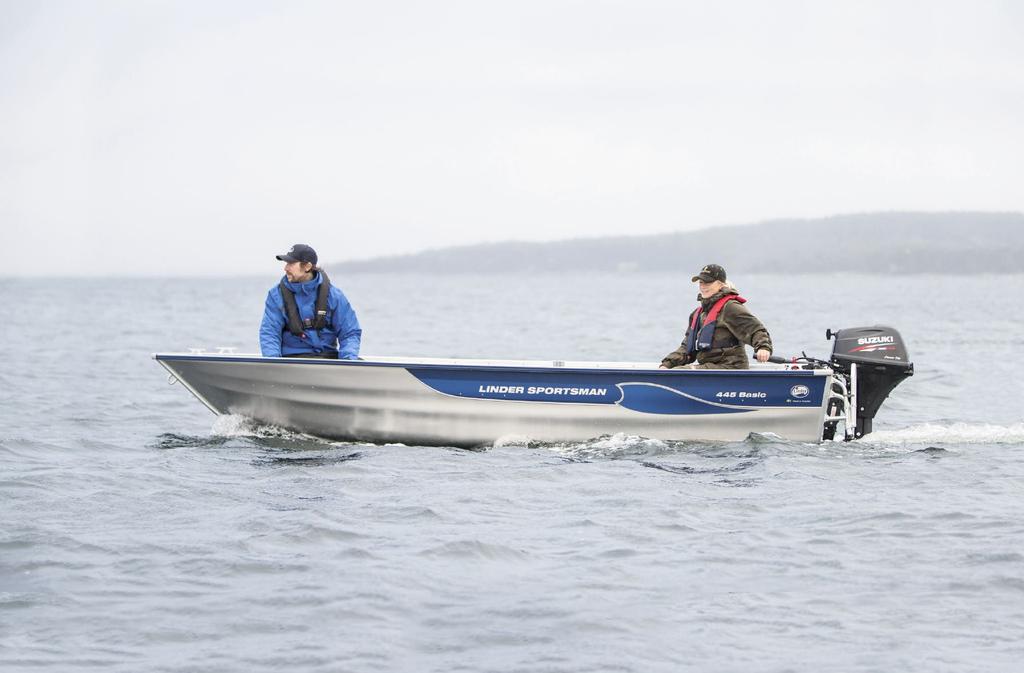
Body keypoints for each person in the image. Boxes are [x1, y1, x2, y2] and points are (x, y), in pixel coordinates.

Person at [659, 264, 772, 369]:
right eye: (701, 282)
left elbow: (755, 329)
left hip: (731, 366)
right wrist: (668, 364)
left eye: (707, 283)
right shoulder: (698, 313)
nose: (703, 286)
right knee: (676, 370)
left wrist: (763, 347)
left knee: (682, 372)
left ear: (721, 284)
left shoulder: (731, 307)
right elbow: (687, 346)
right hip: (710, 366)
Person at [259, 244, 362, 359]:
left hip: (327, 360)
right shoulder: (275, 295)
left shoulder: (335, 296)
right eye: (286, 263)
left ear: (307, 266)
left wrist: (348, 361)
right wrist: (274, 364)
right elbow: (269, 333)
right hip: (291, 362)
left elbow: (350, 332)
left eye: (291, 264)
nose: (286, 268)